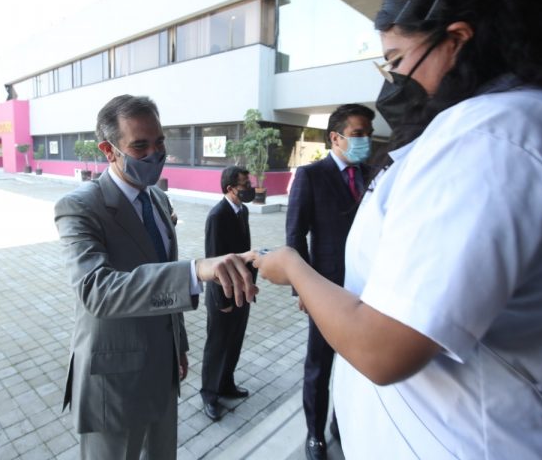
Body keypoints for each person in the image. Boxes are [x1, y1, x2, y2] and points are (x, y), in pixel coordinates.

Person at [251, 0, 542, 458]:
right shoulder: (505, 126)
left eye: (396, 60)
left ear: (456, 40)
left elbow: (382, 348)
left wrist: (294, 268)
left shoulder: (495, 136)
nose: (391, 80)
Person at [54, 94, 257, 460]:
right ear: (109, 150)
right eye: (140, 145)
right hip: (114, 378)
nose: (154, 153)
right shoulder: (80, 207)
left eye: (159, 141)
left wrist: (177, 344)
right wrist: (195, 271)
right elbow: (96, 290)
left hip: (162, 369)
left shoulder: (158, 200)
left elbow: (161, 268)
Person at [285, 104, 374, 459]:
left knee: (356, 365)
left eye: (369, 133)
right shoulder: (311, 176)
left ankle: (342, 421)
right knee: (319, 367)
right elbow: (294, 237)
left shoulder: (372, 173)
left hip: (367, 290)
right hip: (327, 289)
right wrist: (303, 288)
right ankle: (314, 434)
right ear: (335, 137)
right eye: (357, 134)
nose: (365, 140)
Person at [200, 165, 257, 421]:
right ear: (230, 189)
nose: (249, 188)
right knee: (217, 345)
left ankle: (226, 384)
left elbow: (244, 251)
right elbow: (213, 261)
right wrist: (223, 300)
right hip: (222, 295)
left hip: (241, 291)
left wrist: (248, 287)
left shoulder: (242, 210)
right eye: (244, 184)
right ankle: (210, 394)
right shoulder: (217, 216)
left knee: (235, 341)